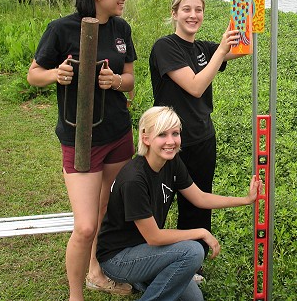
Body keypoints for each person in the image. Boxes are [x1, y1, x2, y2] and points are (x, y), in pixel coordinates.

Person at [27, 0, 136, 300]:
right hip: (80, 139)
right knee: (86, 225)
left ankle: (95, 272)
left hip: (118, 135)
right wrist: (55, 75)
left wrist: (116, 81)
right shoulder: (61, 29)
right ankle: (76, 295)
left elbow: (130, 79)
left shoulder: (122, 29)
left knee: (106, 209)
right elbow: (34, 74)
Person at [96, 106, 261, 300]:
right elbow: (155, 237)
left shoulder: (171, 162)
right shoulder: (134, 180)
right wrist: (201, 232)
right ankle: (144, 282)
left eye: (175, 133)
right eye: (162, 134)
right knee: (192, 252)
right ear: (146, 138)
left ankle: (146, 278)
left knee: (194, 299)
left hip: (146, 250)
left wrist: (246, 200)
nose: (171, 141)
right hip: (119, 259)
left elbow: (200, 197)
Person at [149, 0, 245, 257]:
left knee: (199, 202)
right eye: (187, 9)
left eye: (198, 10)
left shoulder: (203, 48)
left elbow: (243, 45)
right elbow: (195, 86)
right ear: (175, 14)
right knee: (160, 203)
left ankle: (194, 258)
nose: (193, 15)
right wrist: (220, 52)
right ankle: (147, 257)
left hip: (202, 137)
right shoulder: (165, 47)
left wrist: (245, 1)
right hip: (169, 142)